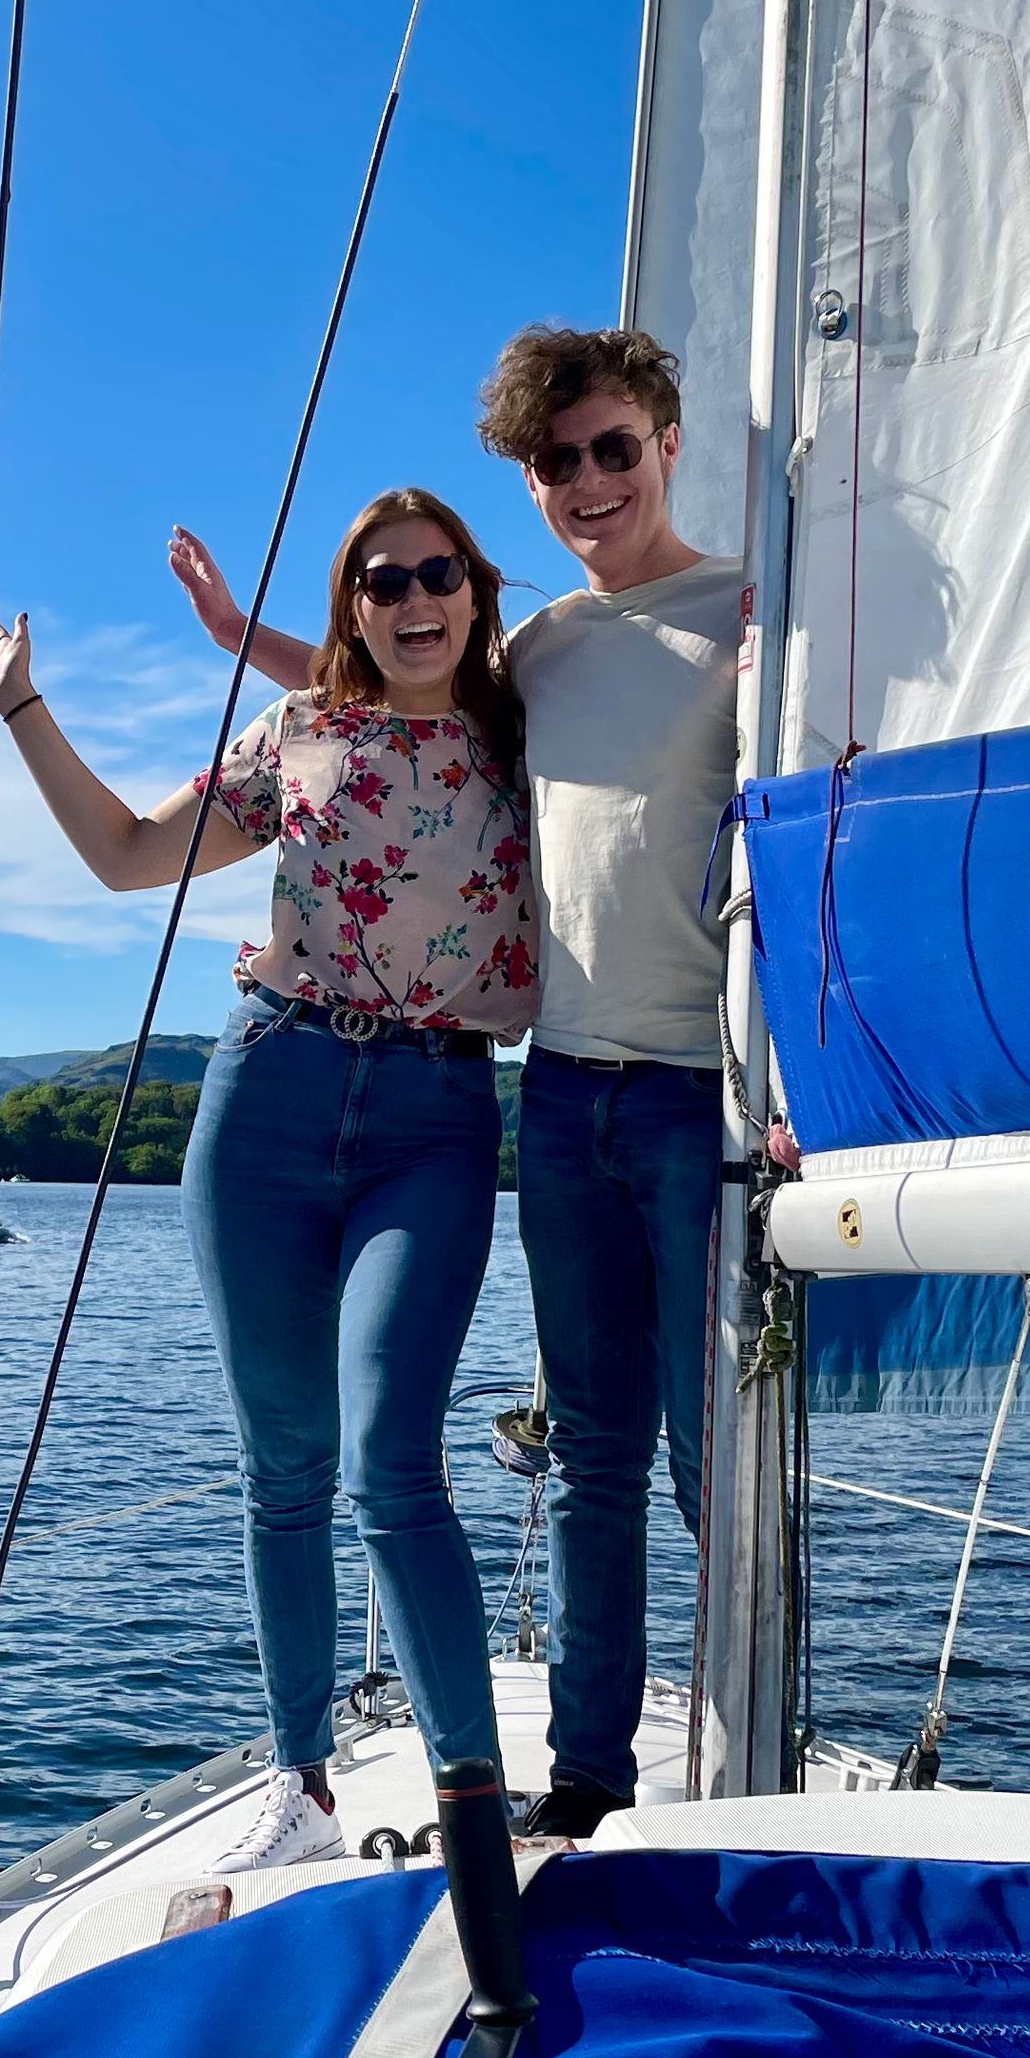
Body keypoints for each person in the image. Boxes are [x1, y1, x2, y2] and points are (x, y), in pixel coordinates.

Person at [171, 326, 734, 1838]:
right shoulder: (539, 649)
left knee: (716, 1462)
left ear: (666, 440)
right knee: (601, 1455)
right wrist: (243, 640)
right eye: (559, 463)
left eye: (615, 448)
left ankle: (747, 1765)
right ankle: (592, 1786)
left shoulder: (756, 616)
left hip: (703, 1095)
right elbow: (392, 695)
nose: (590, 481)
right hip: (554, 1093)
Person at [0, 487, 535, 1869]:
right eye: (383, 580)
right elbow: (122, 860)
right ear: (354, 607)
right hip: (269, 1095)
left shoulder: (528, 733)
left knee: (392, 1462)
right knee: (284, 1471)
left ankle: (475, 1804)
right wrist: (19, 709)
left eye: (440, 575)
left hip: (437, 1110)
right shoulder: (300, 733)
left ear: (476, 592)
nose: (415, 600)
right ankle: (301, 1789)